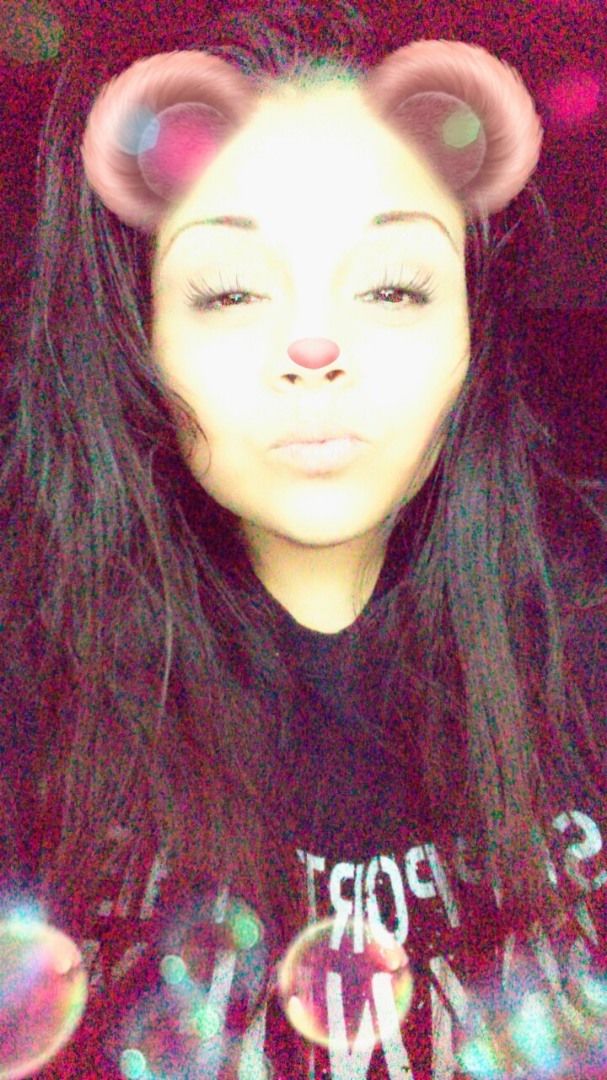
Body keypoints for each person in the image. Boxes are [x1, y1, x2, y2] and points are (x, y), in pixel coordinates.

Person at [1, 14, 606, 1080]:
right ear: (141, 331)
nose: (313, 348)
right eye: (231, 290)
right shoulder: (30, 693)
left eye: (393, 286)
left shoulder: (586, 637)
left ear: (473, 323)